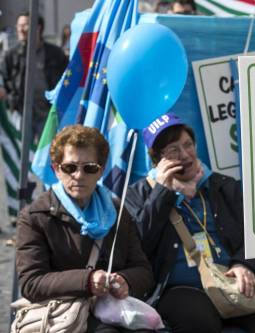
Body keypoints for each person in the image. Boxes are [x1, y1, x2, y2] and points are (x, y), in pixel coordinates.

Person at [125, 113, 255, 333]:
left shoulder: (223, 186)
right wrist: (163, 192)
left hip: (231, 282)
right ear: (158, 160)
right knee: (199, 321)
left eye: (188, 145)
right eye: (173, 151)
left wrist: (244, 264)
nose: (185, 155)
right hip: (181, 289)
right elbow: (139, 246)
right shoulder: (138, 194)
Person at [15, 125, 155, 332]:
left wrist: (126, 280)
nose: (79, 176)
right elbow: (31, 282)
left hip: (114, 309)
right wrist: (87, 280)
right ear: (56, 169)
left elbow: (143, 270)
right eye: (70, 168)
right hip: (63, 312)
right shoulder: (35, 217)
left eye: (89, 168)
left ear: (101, 170)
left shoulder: (118, 211)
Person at [0, 12, 67, 141]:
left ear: (38, 27)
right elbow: (3, 77)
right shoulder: (11, 55)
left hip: (48, 113)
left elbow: (66, 78)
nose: (21, 29)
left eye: (25, 25)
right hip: (21, 112)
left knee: (49, 150)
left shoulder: (55, 53)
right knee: (22, 150)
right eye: (19, 25)